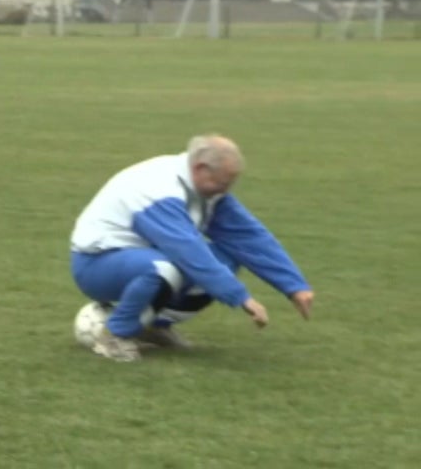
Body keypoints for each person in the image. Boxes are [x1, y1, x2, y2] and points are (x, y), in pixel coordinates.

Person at [69, 134, 315, 362]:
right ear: (200, 169)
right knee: (164, 268)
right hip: (96, 264)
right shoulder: (158, 189)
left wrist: (294, 286)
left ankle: (154, 327)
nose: (225, 191)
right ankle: (114, 335)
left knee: (226, 259)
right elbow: (188, 251)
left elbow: (247, 236)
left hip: (144, 259)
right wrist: (241, 297)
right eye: (222, 183)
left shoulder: (206, 190)